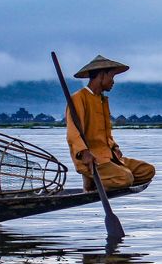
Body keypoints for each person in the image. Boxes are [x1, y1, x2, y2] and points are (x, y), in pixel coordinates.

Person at [65, 54, 155, 191]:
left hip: (108, 156)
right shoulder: (78, 98)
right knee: (126, 178)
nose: (113, 81)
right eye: (111, 77)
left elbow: (105, 133)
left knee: (147, 170)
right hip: (92, 159)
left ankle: (100, 181)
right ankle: (94, 181)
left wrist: (114, 147)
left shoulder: (102, 100)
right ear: (101, 75)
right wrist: (84, 153)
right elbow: (73, 133)